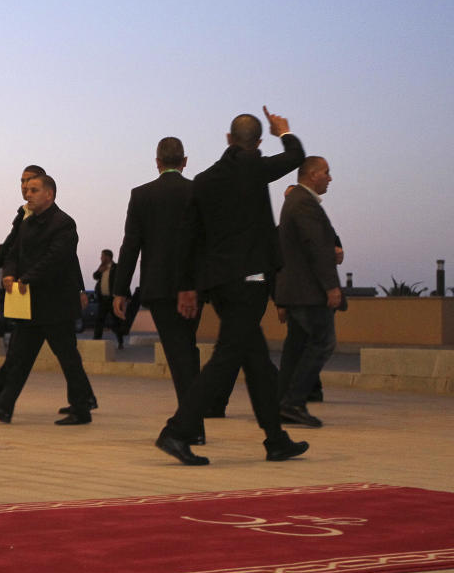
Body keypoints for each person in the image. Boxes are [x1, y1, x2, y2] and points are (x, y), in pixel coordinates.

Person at [155, 107, 309, 466]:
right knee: (226, 357)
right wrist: (283, 130)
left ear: (227, 139)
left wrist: (187, 286)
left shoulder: (205, 179)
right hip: (251, 280)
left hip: (218, 284)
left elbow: (189, 238)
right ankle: (176, 432)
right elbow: (296, 156)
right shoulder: (256, 167)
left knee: (254, 359)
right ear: (256, 143)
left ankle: (275, 439)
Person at [0, 166, 95, 416]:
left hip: (56, 303)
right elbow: (13, 251)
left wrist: (27, 278)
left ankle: (82, 405)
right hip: (31, 302)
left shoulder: (64, 224)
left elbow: (56, 259)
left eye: (33, 189)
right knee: (20, 357)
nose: (27, 193)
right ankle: (3, 406)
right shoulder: (26, 222)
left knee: (66, 357)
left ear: (49, 194)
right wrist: (10, 273)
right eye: (25, 187)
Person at [113, 137, 205, 444]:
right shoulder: (197, 191)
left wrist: (120, 290)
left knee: (178, 354)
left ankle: (191, 425)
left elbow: (131, 246)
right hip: (194, 286)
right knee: (188, 350)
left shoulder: (141, 195)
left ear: (157, 162)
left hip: (160, 287)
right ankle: (194, 423)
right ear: (185, 161)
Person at [274, 156, 342, 428]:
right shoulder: (303, 203)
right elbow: (314, 247)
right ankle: (292, 402)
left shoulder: (300, 202)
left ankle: (288, 403)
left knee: (299, 345)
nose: (330, 178)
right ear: (313, 174)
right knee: (323, 342)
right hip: (307, 291)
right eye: (327, 172)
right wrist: (331, 286)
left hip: (298, 291)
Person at [93, 249, 124, 348]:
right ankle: (96, 341)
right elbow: (95, 276)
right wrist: (100, 270)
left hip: (112, 299)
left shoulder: (116, 268)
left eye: (102, 256)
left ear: (108, 257)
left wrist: (125, 296)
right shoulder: (102, 268)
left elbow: (122, 282)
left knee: (116, 321)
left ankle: (120, 341)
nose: (101, 258)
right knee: (99, 320)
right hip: (103, 299)